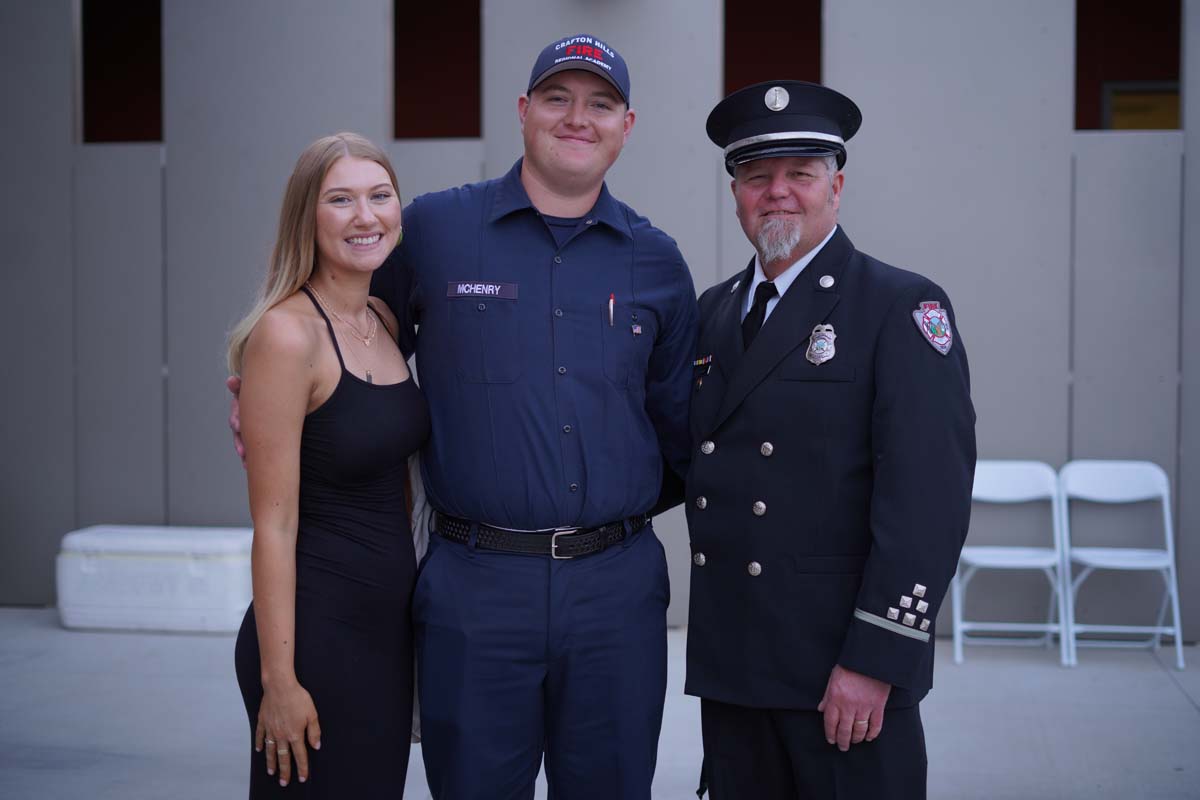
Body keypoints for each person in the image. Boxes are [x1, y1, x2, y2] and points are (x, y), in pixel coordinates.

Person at [230, 35, 697, 800]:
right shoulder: (436, 232)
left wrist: (603, 513)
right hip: (475, 590)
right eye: (557, 98)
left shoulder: (658, 262)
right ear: (522, 112)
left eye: (600, 104)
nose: (577, 117)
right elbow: (345, 332)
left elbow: (682, 429)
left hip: (616, 594)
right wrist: (261, 378)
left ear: (627, 125)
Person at [684, 81, 976, 799]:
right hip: (735, 670)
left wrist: (877, 659)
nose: (776, 192)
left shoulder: (898, 306)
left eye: (800, 175)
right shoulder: (714, 313)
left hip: (840, 678)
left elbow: (928, 504)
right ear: (737, 194)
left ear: (835, 187)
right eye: (756, 176)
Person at [229, 132, 430, 797]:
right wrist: (279, 683)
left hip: (386, 630)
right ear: (307, 218)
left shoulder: (381, 319)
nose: (365, 216)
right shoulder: (286, 336)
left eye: (379, 196)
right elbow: (274, 528)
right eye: (340, 200)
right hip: (314, 635)